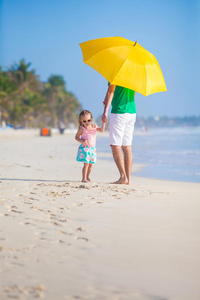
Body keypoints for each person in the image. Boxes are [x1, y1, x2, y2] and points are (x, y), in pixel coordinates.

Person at [101, 84, 136, 185]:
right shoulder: (132, 76)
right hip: (132, 112)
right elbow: (132, 94)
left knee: (115, 145)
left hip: (119, 112)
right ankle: (128, 180)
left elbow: (111, 92)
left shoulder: (115, 73)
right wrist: (109, 99)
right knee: (127, 147)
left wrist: (105, 111)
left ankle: (122, 176)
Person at [75, 109, 106, 183]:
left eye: (88, 120)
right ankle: (84, 178)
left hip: (92, 148)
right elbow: (76, 137)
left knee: (91, 165)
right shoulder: (82, 129)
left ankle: (87, 177)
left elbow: (101, 130)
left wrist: (103, 123)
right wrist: (83, 141)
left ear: (91, 119)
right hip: (85, 148)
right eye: (84, 121)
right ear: (81, 121)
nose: (87, 122)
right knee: (86, 164)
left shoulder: (94, 126)